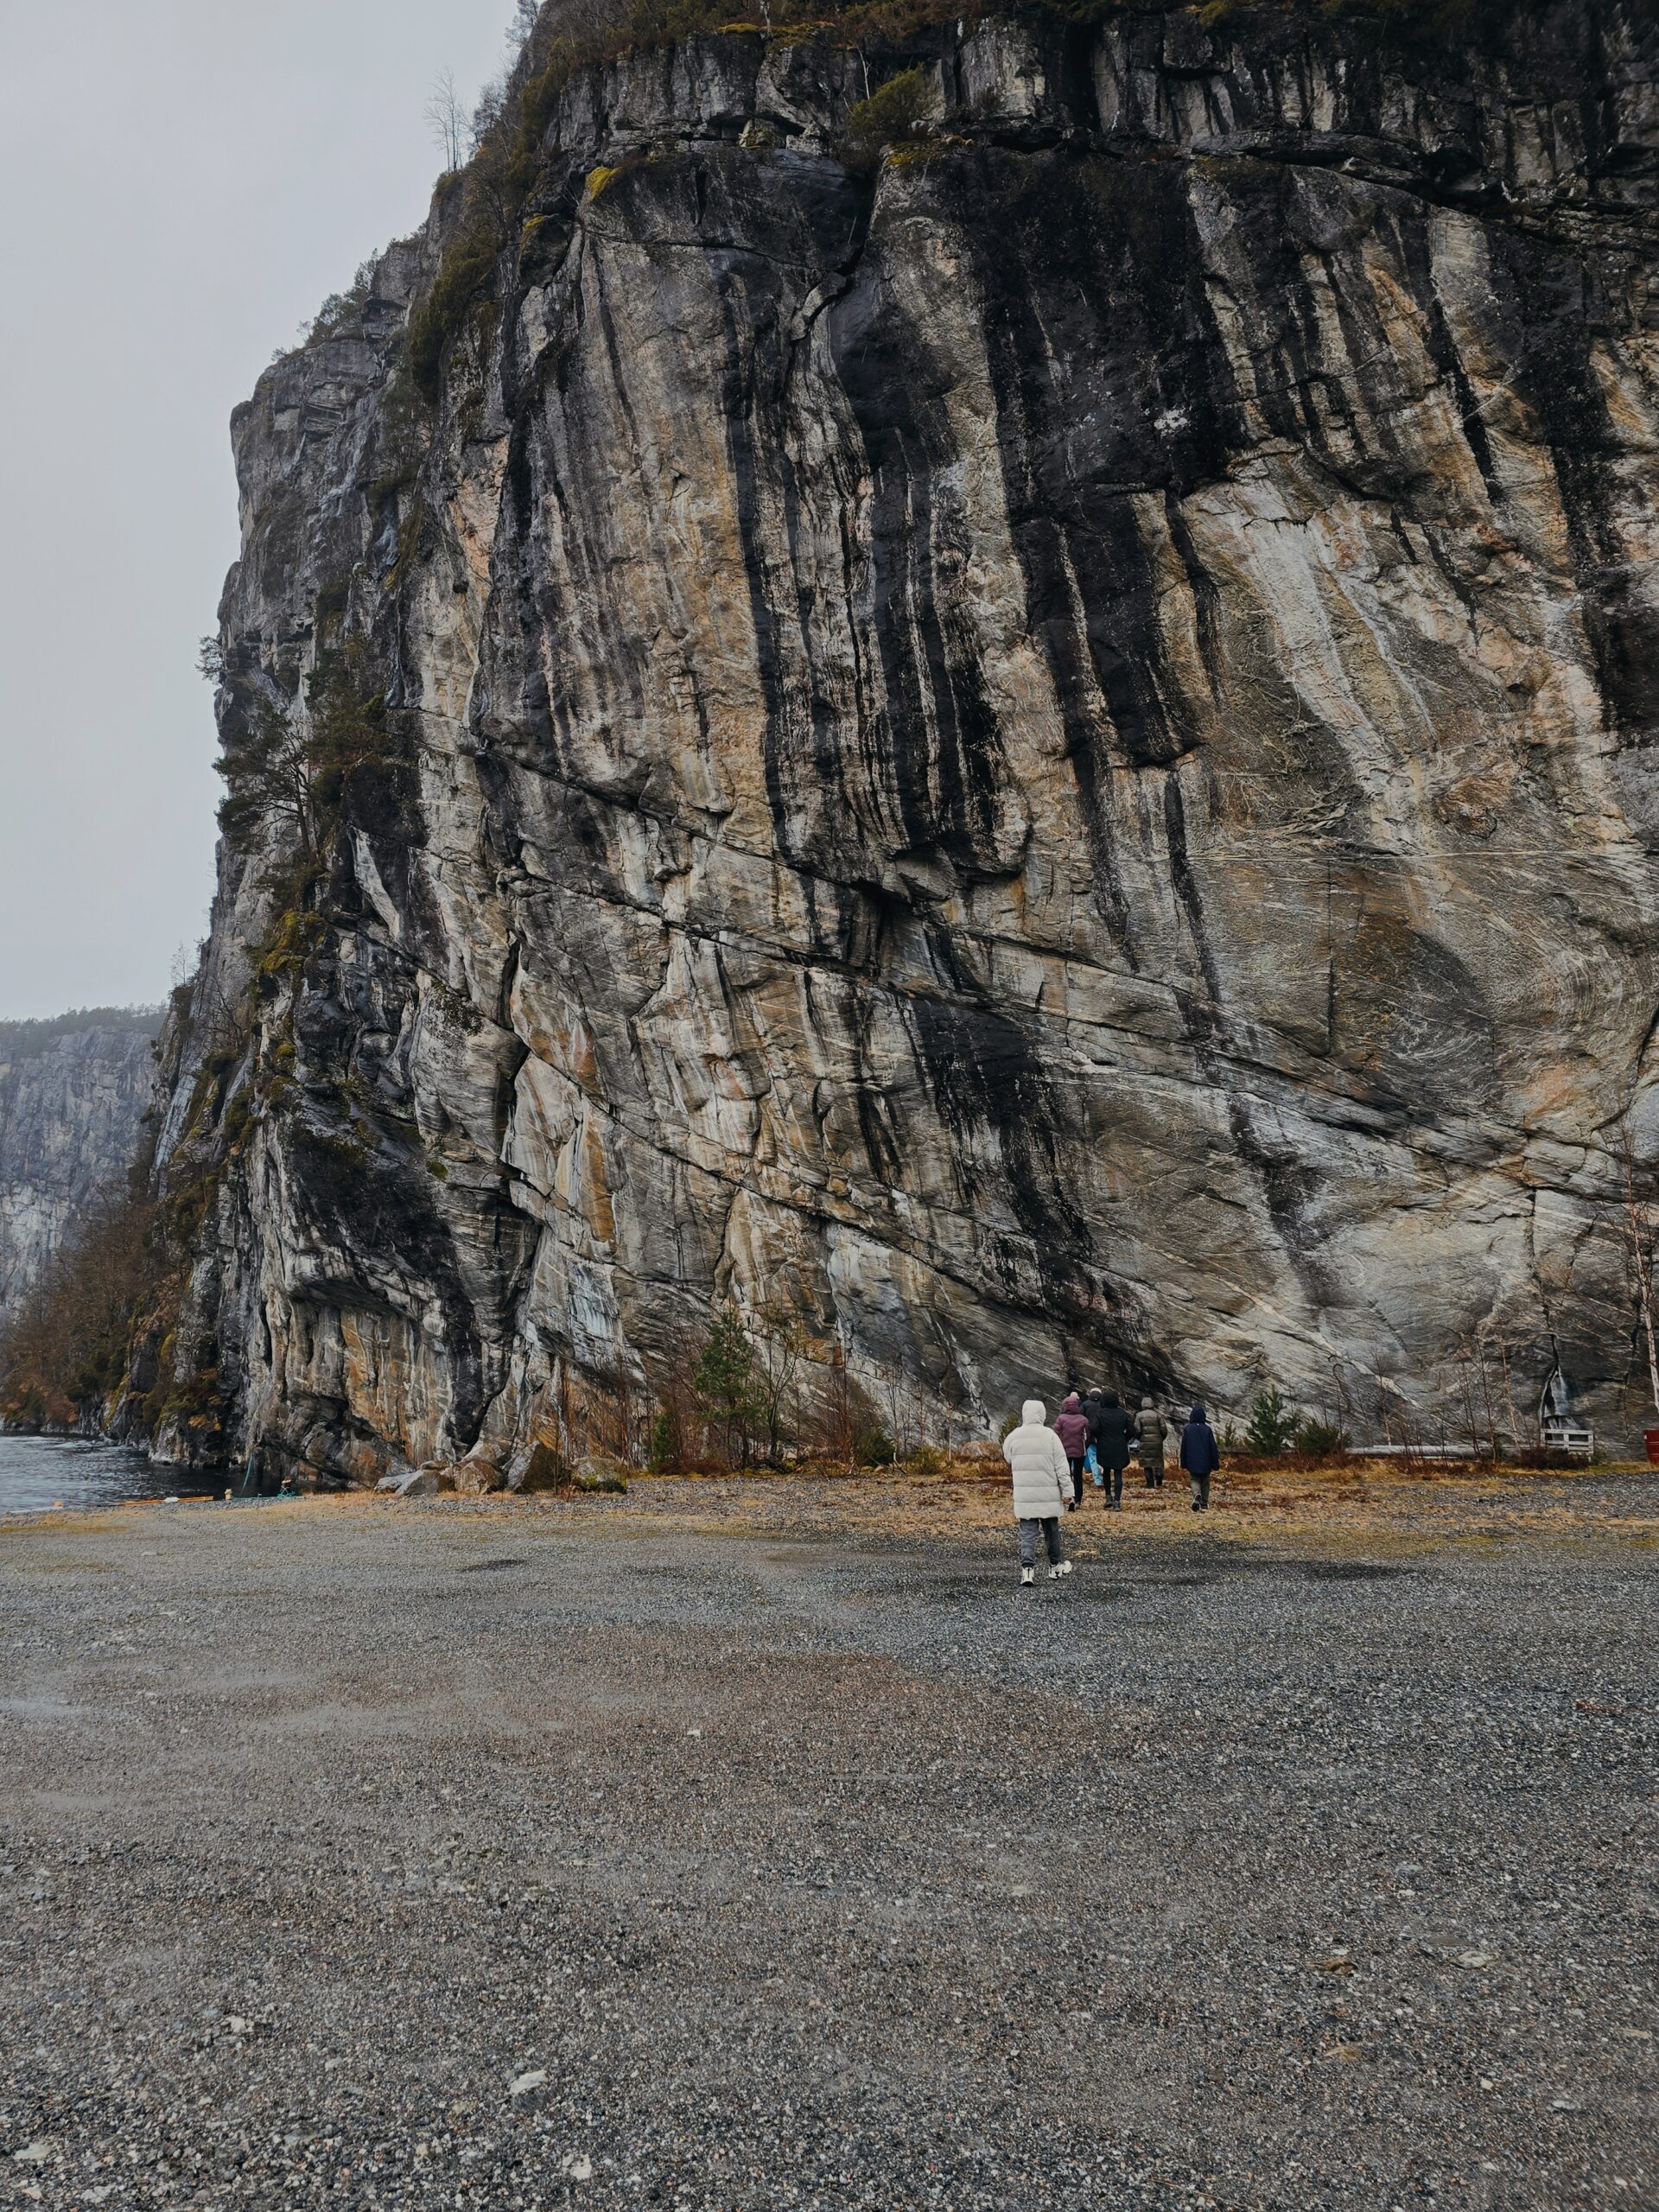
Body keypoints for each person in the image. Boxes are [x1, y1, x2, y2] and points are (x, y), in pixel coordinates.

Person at [1002, 1400, 1076, 1585]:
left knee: (1027, 1534)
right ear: (1042, 1414)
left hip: (1025, 1495)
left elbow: (1008, 1457)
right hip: (1049, 1494)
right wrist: (1068, 1492)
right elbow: (1062, 1466)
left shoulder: (1014, 1436)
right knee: (1052, 1532)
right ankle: (1055, 1566)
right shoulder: (1050, 1436)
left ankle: (1027, 1571)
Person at [1093, 1388, 1133, 1510]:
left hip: (1104, 1445)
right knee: (1118, 1472)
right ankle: (1117, 1501)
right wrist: (1125, 1438)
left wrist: (1099, 1437)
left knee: (1106, 1470)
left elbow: (1093, 1428)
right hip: (1119, 1445)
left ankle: (1108, 1497)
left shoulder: (1100, 1414)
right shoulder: (1123, 1414)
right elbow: (1132, 1430)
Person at [1052, 1391, 1090, 1510]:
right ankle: (1077, 1500)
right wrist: (1084, 1446)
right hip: (1080, 1451)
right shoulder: (1083, 1419)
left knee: (1065, 1475)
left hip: (1064, 1451)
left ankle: (1068, 1497)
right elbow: (1087, 1436)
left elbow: (1055, 1433)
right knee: (1078, 1476)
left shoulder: (1061, 1419)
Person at [1180, 1402, 1220, 1511]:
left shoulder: (1188, 1429)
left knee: (1194, 1479)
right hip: (1206, 1461)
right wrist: (1215, 1464)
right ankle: (1204, 1504)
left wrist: (1183, 1463)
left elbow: (1184, 1447)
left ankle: (1196, 1494)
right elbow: (1213, 1448)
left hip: (1192, 1461)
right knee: (1205, 1482)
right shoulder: (1207, 1430)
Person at [1135, 1397, 1167, 1489]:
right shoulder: (1158, 1415)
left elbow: (1137, 1430)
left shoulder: (1139, 1416)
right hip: (1157, 1442)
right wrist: (1160, 1439)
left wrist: (1140, 1438)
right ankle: (1159, 1477)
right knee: (1158, 1461)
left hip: (1144, 1442)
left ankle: (1150, 1484)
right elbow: (1164, 1430)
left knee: (1147, 1463)